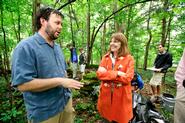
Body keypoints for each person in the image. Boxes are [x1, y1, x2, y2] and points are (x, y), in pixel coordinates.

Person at [11, 7, 84, 123]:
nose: (60, 27)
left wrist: (67, 86)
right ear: (43, 21)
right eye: (57, 23)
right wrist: (60, 81)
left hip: (65, 105)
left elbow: (63, 72)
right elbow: (22, 85)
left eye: (61, 24)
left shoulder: (57, 47)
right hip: (45, 114)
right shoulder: (25, 47)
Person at [96, 32, 134, 123]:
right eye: (111, 41)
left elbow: (128, 78)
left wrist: (107, 75)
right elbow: (99, 75)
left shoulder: (129, 59)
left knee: (119, 119)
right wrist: (117, 73)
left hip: (121, 98)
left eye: (116, 41)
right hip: (106, 97)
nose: (112, 43)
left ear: (122, 44)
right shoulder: (105, 58)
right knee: (106, 118)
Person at [174, 49, 185, 123]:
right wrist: (180, 82)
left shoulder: (167, 55)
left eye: (160, 47)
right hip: (183, 86)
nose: (159, 48)